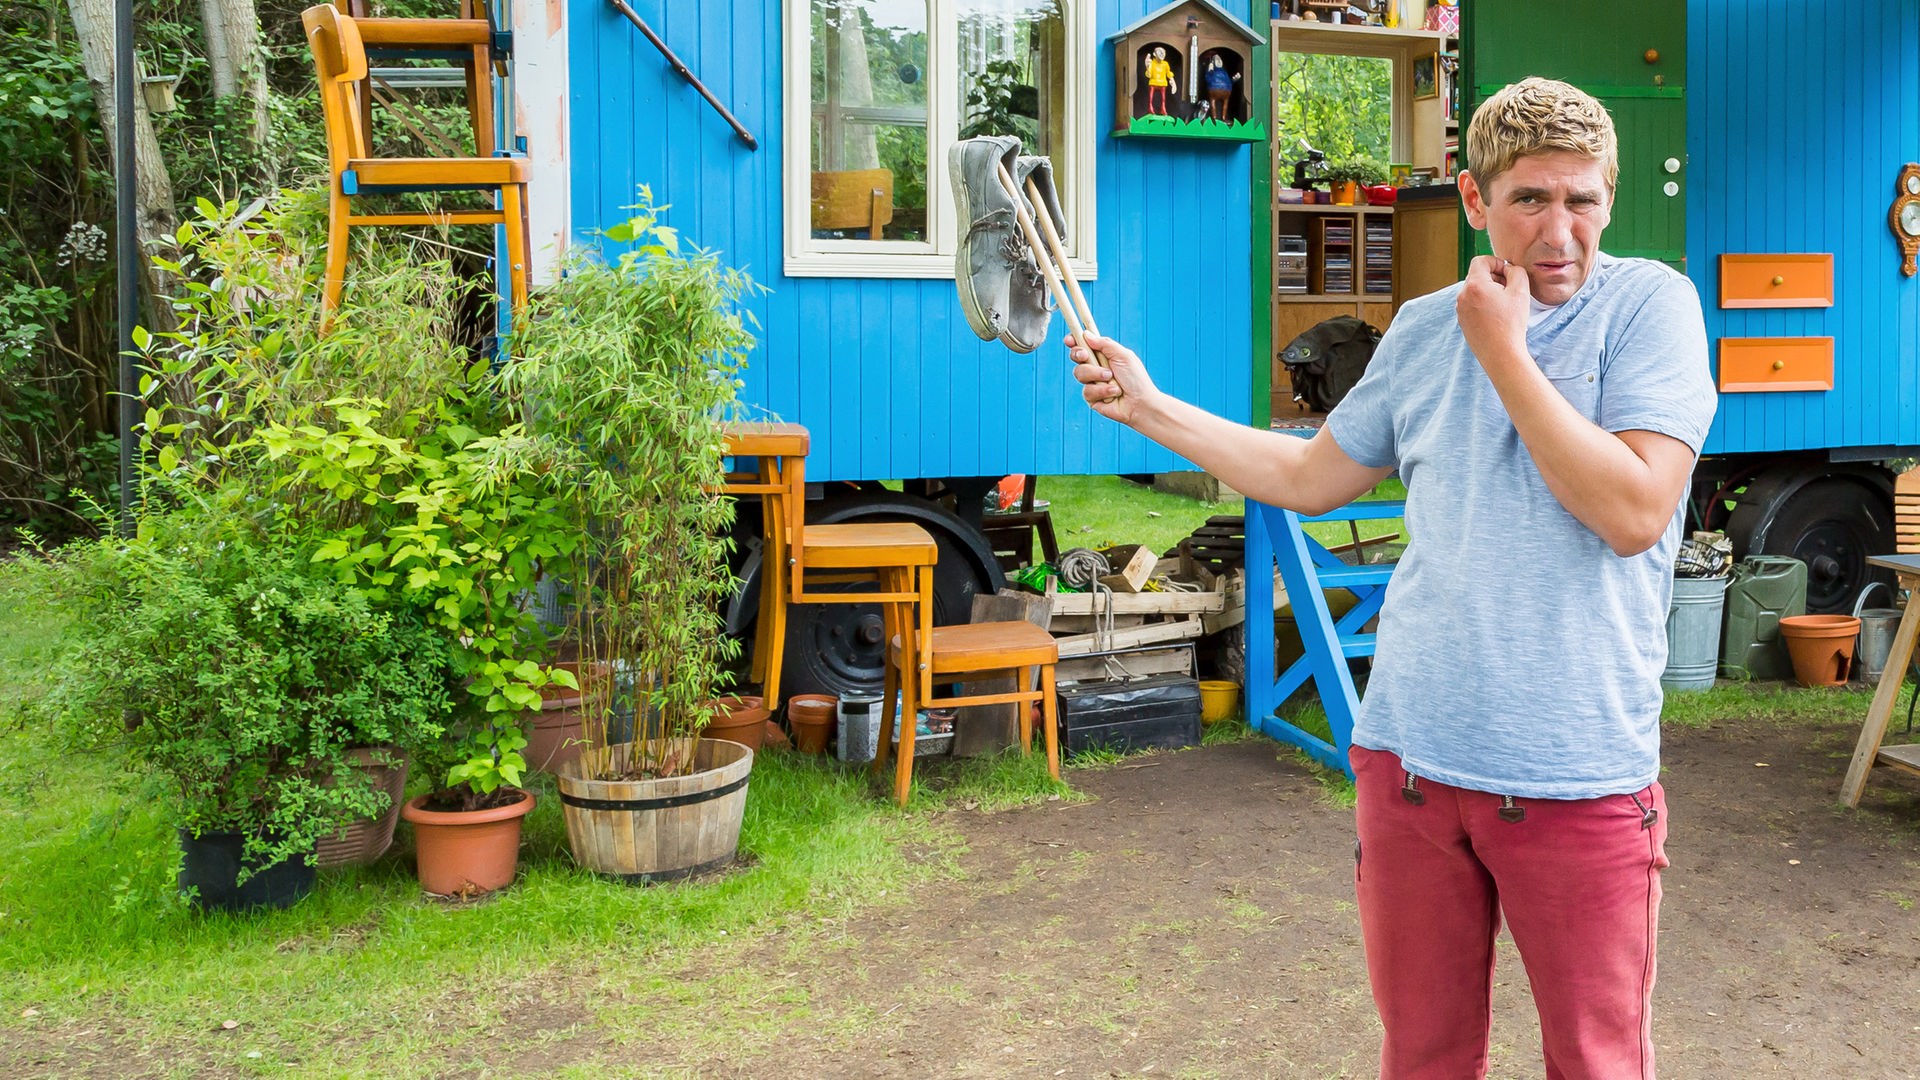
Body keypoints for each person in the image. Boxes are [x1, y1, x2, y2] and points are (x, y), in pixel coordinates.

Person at [1064, 77, 1717, 1079]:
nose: (1558, 229)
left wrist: (1504, 352)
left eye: (1581, 200)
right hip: (1409, 763)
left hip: (1575, 774)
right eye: (1530, 200)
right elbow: (1310, 476)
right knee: (1423, 1056)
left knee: (1597, 1060)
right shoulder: (1420, 330)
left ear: (1610, 200)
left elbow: (1633, 511)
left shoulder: (1651, 310)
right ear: (1473, 201)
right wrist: (1150, 407)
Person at [1202, 54, 1240, 122]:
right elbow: (1229, 82)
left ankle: (1214, 117)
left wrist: (1209, 71)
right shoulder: (1224, 72)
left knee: (1212, 101)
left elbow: (1207, 78)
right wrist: (1234, 80)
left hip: (1214, 89)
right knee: (1225, 102)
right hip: (1226, 91)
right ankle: (1223, 117)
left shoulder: (1214, 72)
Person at [1143, 46, 1175, 116]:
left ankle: (1163, 109)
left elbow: (1168, 73)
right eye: (1159, 52)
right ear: (1154, 54)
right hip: (1153, 83)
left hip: (1163, 83)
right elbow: (1149, 75)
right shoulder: (1152, 63)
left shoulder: (1165, 64)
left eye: (1163, 52)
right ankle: (1150, 108)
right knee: (1151, 97)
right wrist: (1147, 67)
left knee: (1163, 98)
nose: (1162, 54)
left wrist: (1173, 82)